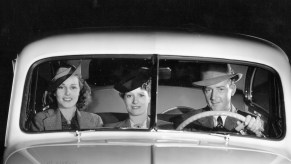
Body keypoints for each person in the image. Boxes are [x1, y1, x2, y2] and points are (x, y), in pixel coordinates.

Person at [175, 63, 264, 137]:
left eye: (220, 89)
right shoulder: (188, 121)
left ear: (232, 89)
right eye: (208, 90)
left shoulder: (251, 123)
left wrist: (257, 134)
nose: (213, 97)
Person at [31, 63, 103, 131]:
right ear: (54, 92)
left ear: (80, 91)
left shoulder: (95, 121)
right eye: (61, 87)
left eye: (73, 87)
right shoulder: (41, 120)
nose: (67, 93)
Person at [105, 67, 172, 129]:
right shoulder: (110, 129)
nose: (135, 101)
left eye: (141, 95)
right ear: (124, 99)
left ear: (149, 97)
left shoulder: (168, 128)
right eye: (129, 96)